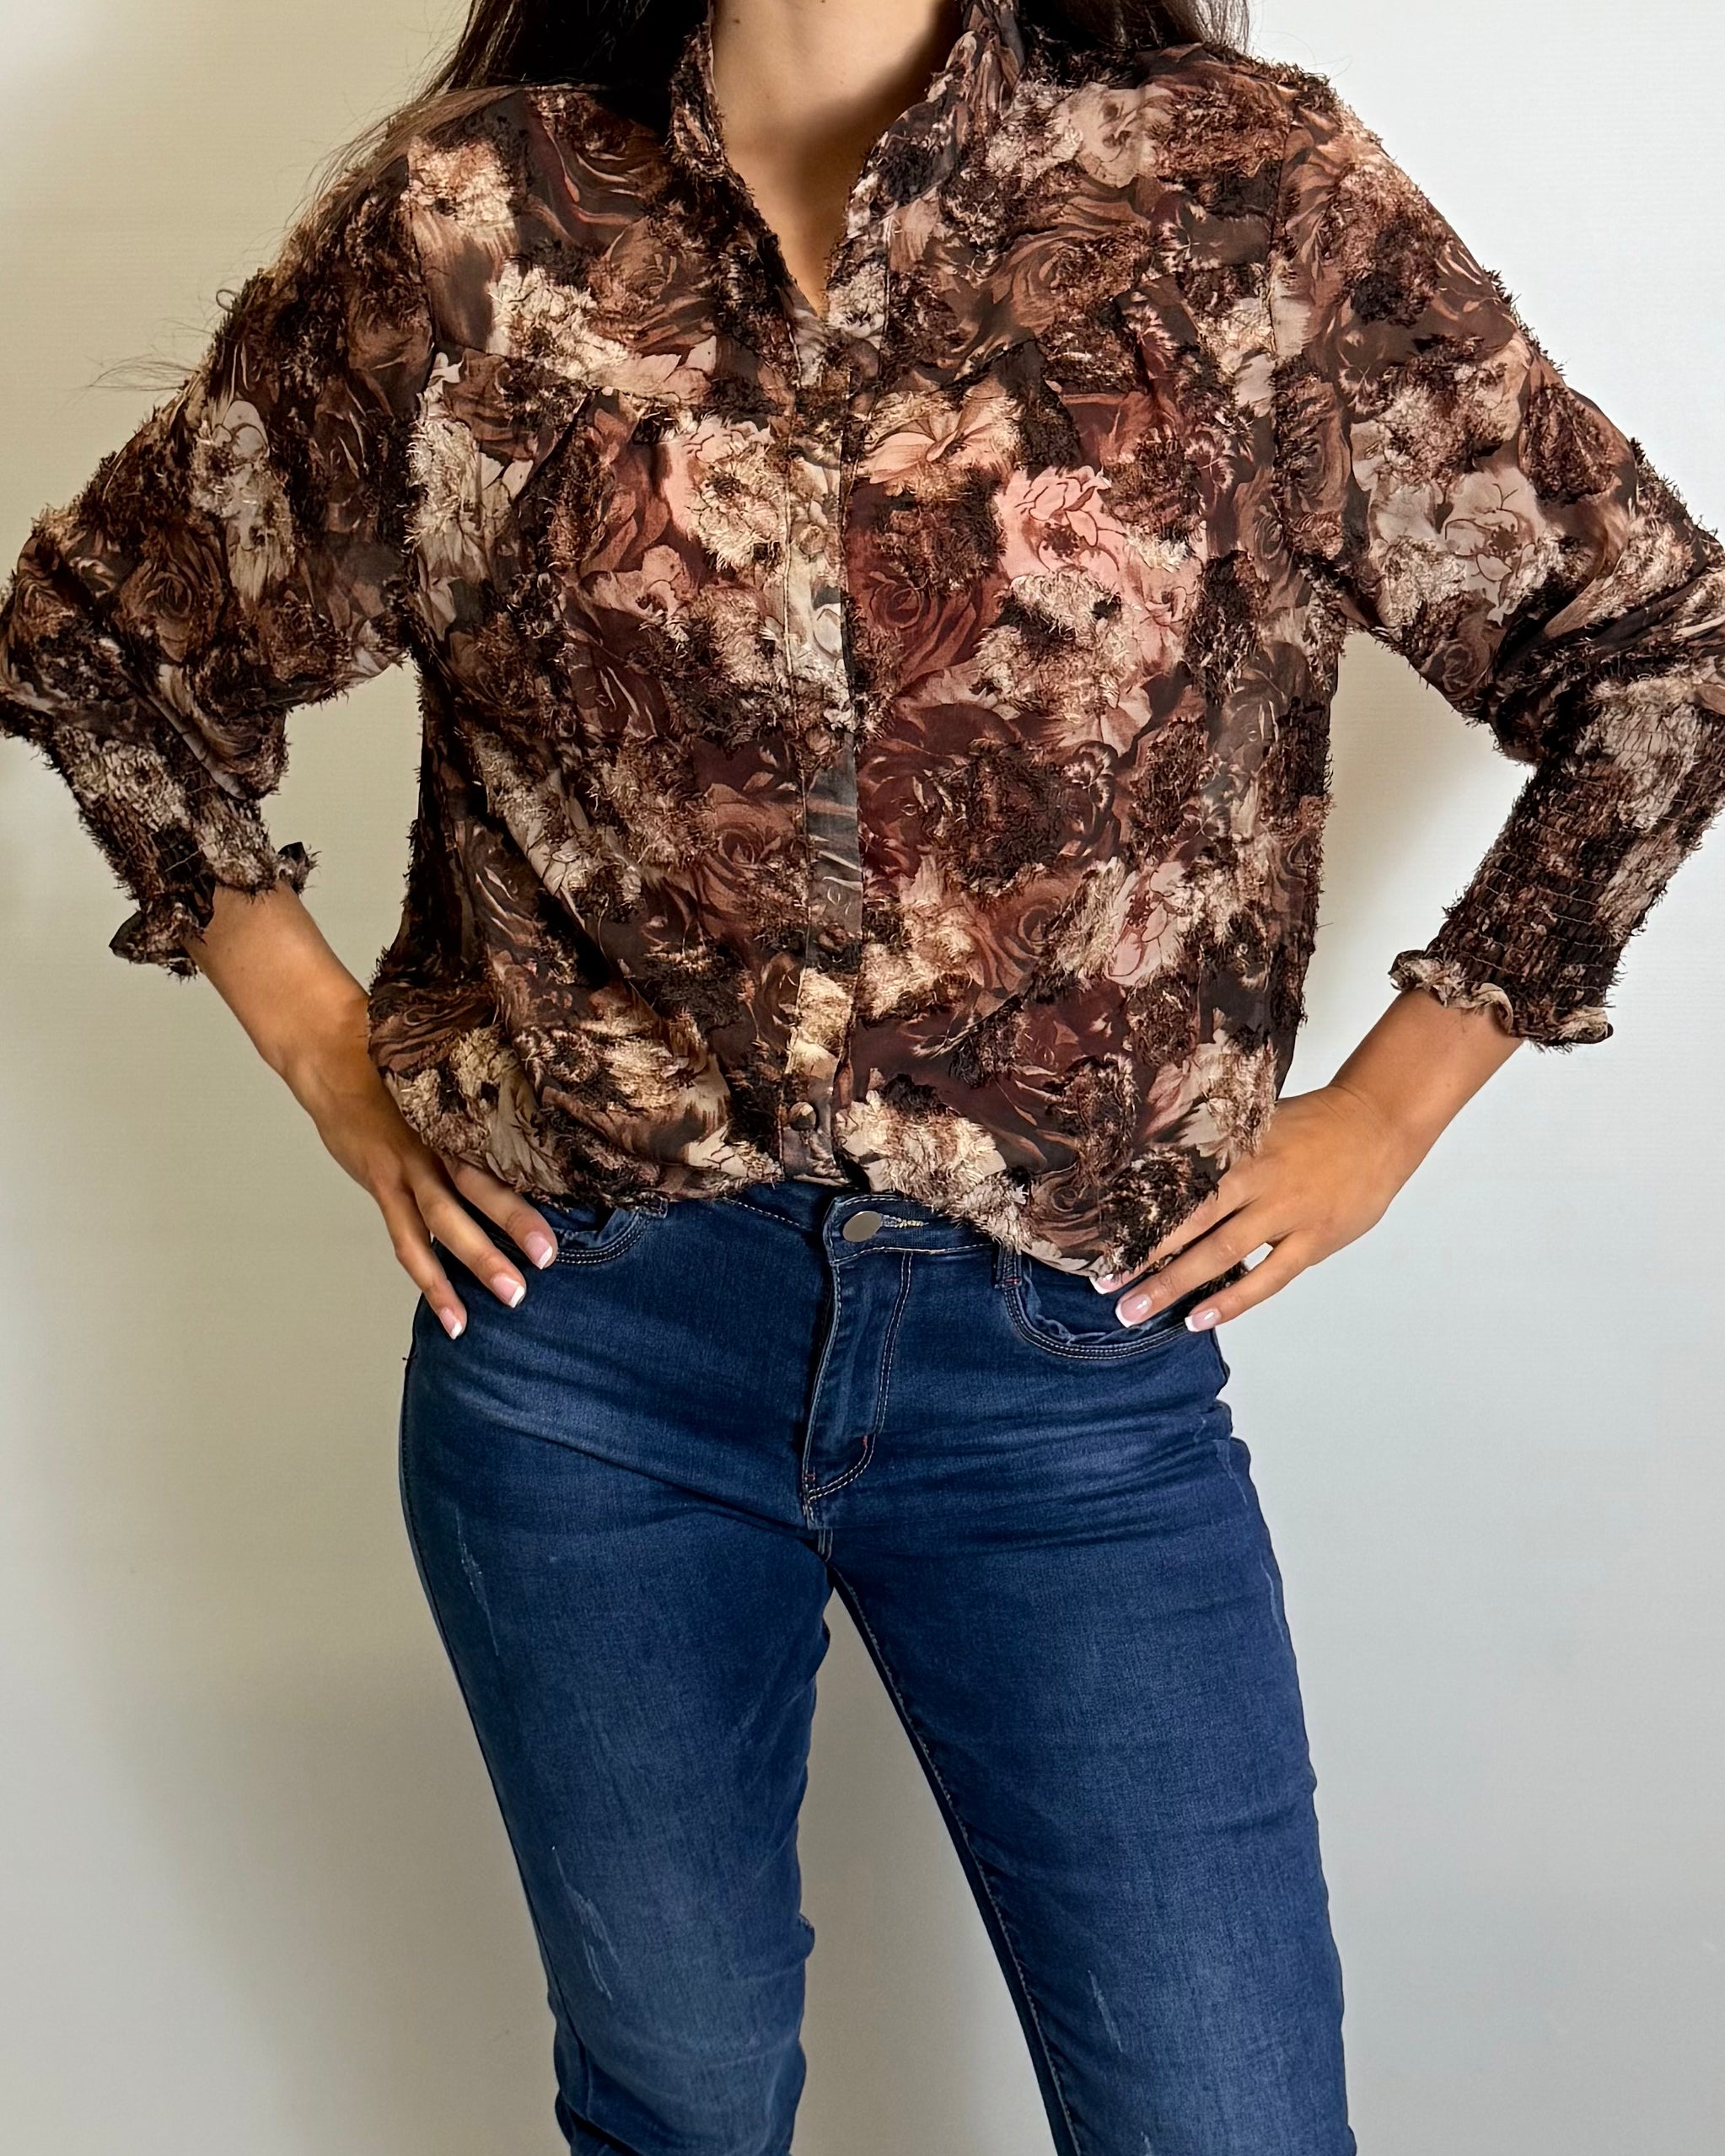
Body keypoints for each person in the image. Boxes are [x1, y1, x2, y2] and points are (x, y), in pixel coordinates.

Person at [4, 0, 1722, 2147]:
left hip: (1067, 1362)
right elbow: (106, 635)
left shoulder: (1242, 196)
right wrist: (331, 1053)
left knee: (1228, 2114)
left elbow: (1662, 651)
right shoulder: (480, 218)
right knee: (681, 2100)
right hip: (584, 1351)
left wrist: (1392, 1104)